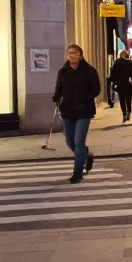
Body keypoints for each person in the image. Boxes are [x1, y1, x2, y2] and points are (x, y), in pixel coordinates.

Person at [51, 44, 100, 184]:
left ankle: (77, 173)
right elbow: (59, 88)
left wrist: (84, 98)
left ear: (80, 55)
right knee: (70, 141)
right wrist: (56, 96)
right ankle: (86, 155)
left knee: (78, 142)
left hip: (84, 110)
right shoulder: (62, 72)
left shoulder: (89, 71)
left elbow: (96, 90)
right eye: (70, 52)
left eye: (75, 53)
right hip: (68, 110)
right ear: (66, 55)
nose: (72, 55)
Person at [108, 50, 132, 123]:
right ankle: (129, 112)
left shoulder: (117, 63)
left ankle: (124, 113)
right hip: (129, 84)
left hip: (120, 84)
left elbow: (113, 74)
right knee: (128, 99)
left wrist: (113, 81)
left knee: (122, 99)